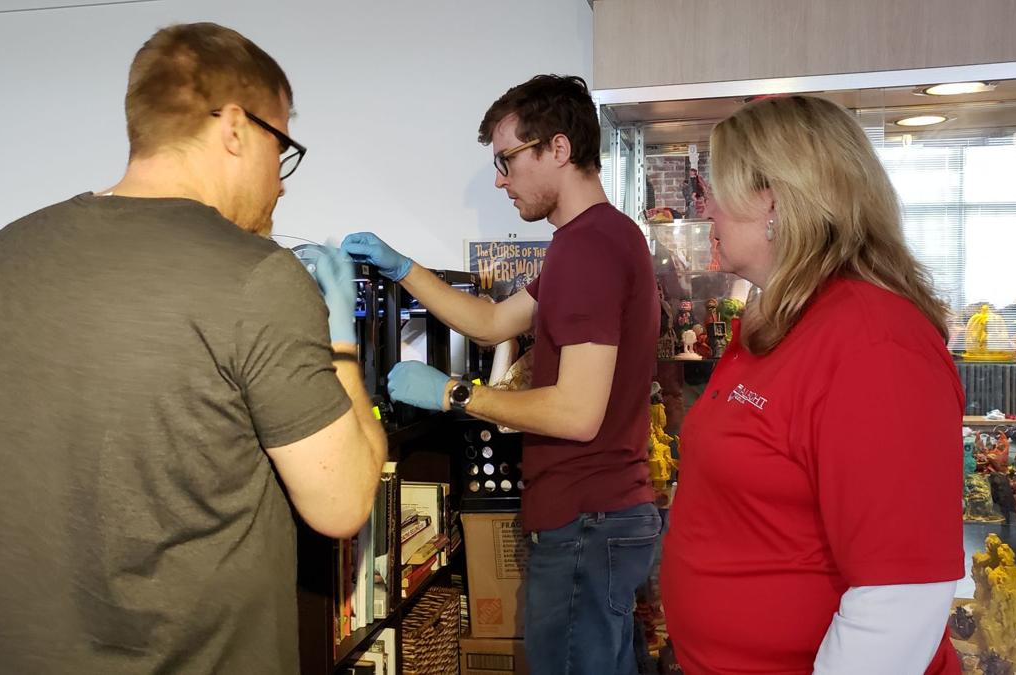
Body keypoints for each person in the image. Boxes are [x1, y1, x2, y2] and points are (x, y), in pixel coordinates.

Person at [0, 23, 386, 674]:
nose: (282, 182)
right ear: (235, 127)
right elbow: (343, 503)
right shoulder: (257, 277)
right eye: (280, 146)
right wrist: (341, 348)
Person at [341, 74, 660, 675]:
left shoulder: (589, 249)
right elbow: (491, 324)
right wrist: (403, 267)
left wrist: (455, 393)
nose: (499, 181)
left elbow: (576, 413)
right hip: (600, 520)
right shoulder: (593, 240)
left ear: (558, 149)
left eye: (507, 160)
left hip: (586, 521)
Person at [659, 94, 963, 674]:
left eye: (718, 189)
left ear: (774, 199)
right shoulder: (784, 319)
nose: (708, 208)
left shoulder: (875, 343)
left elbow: (900, 598)